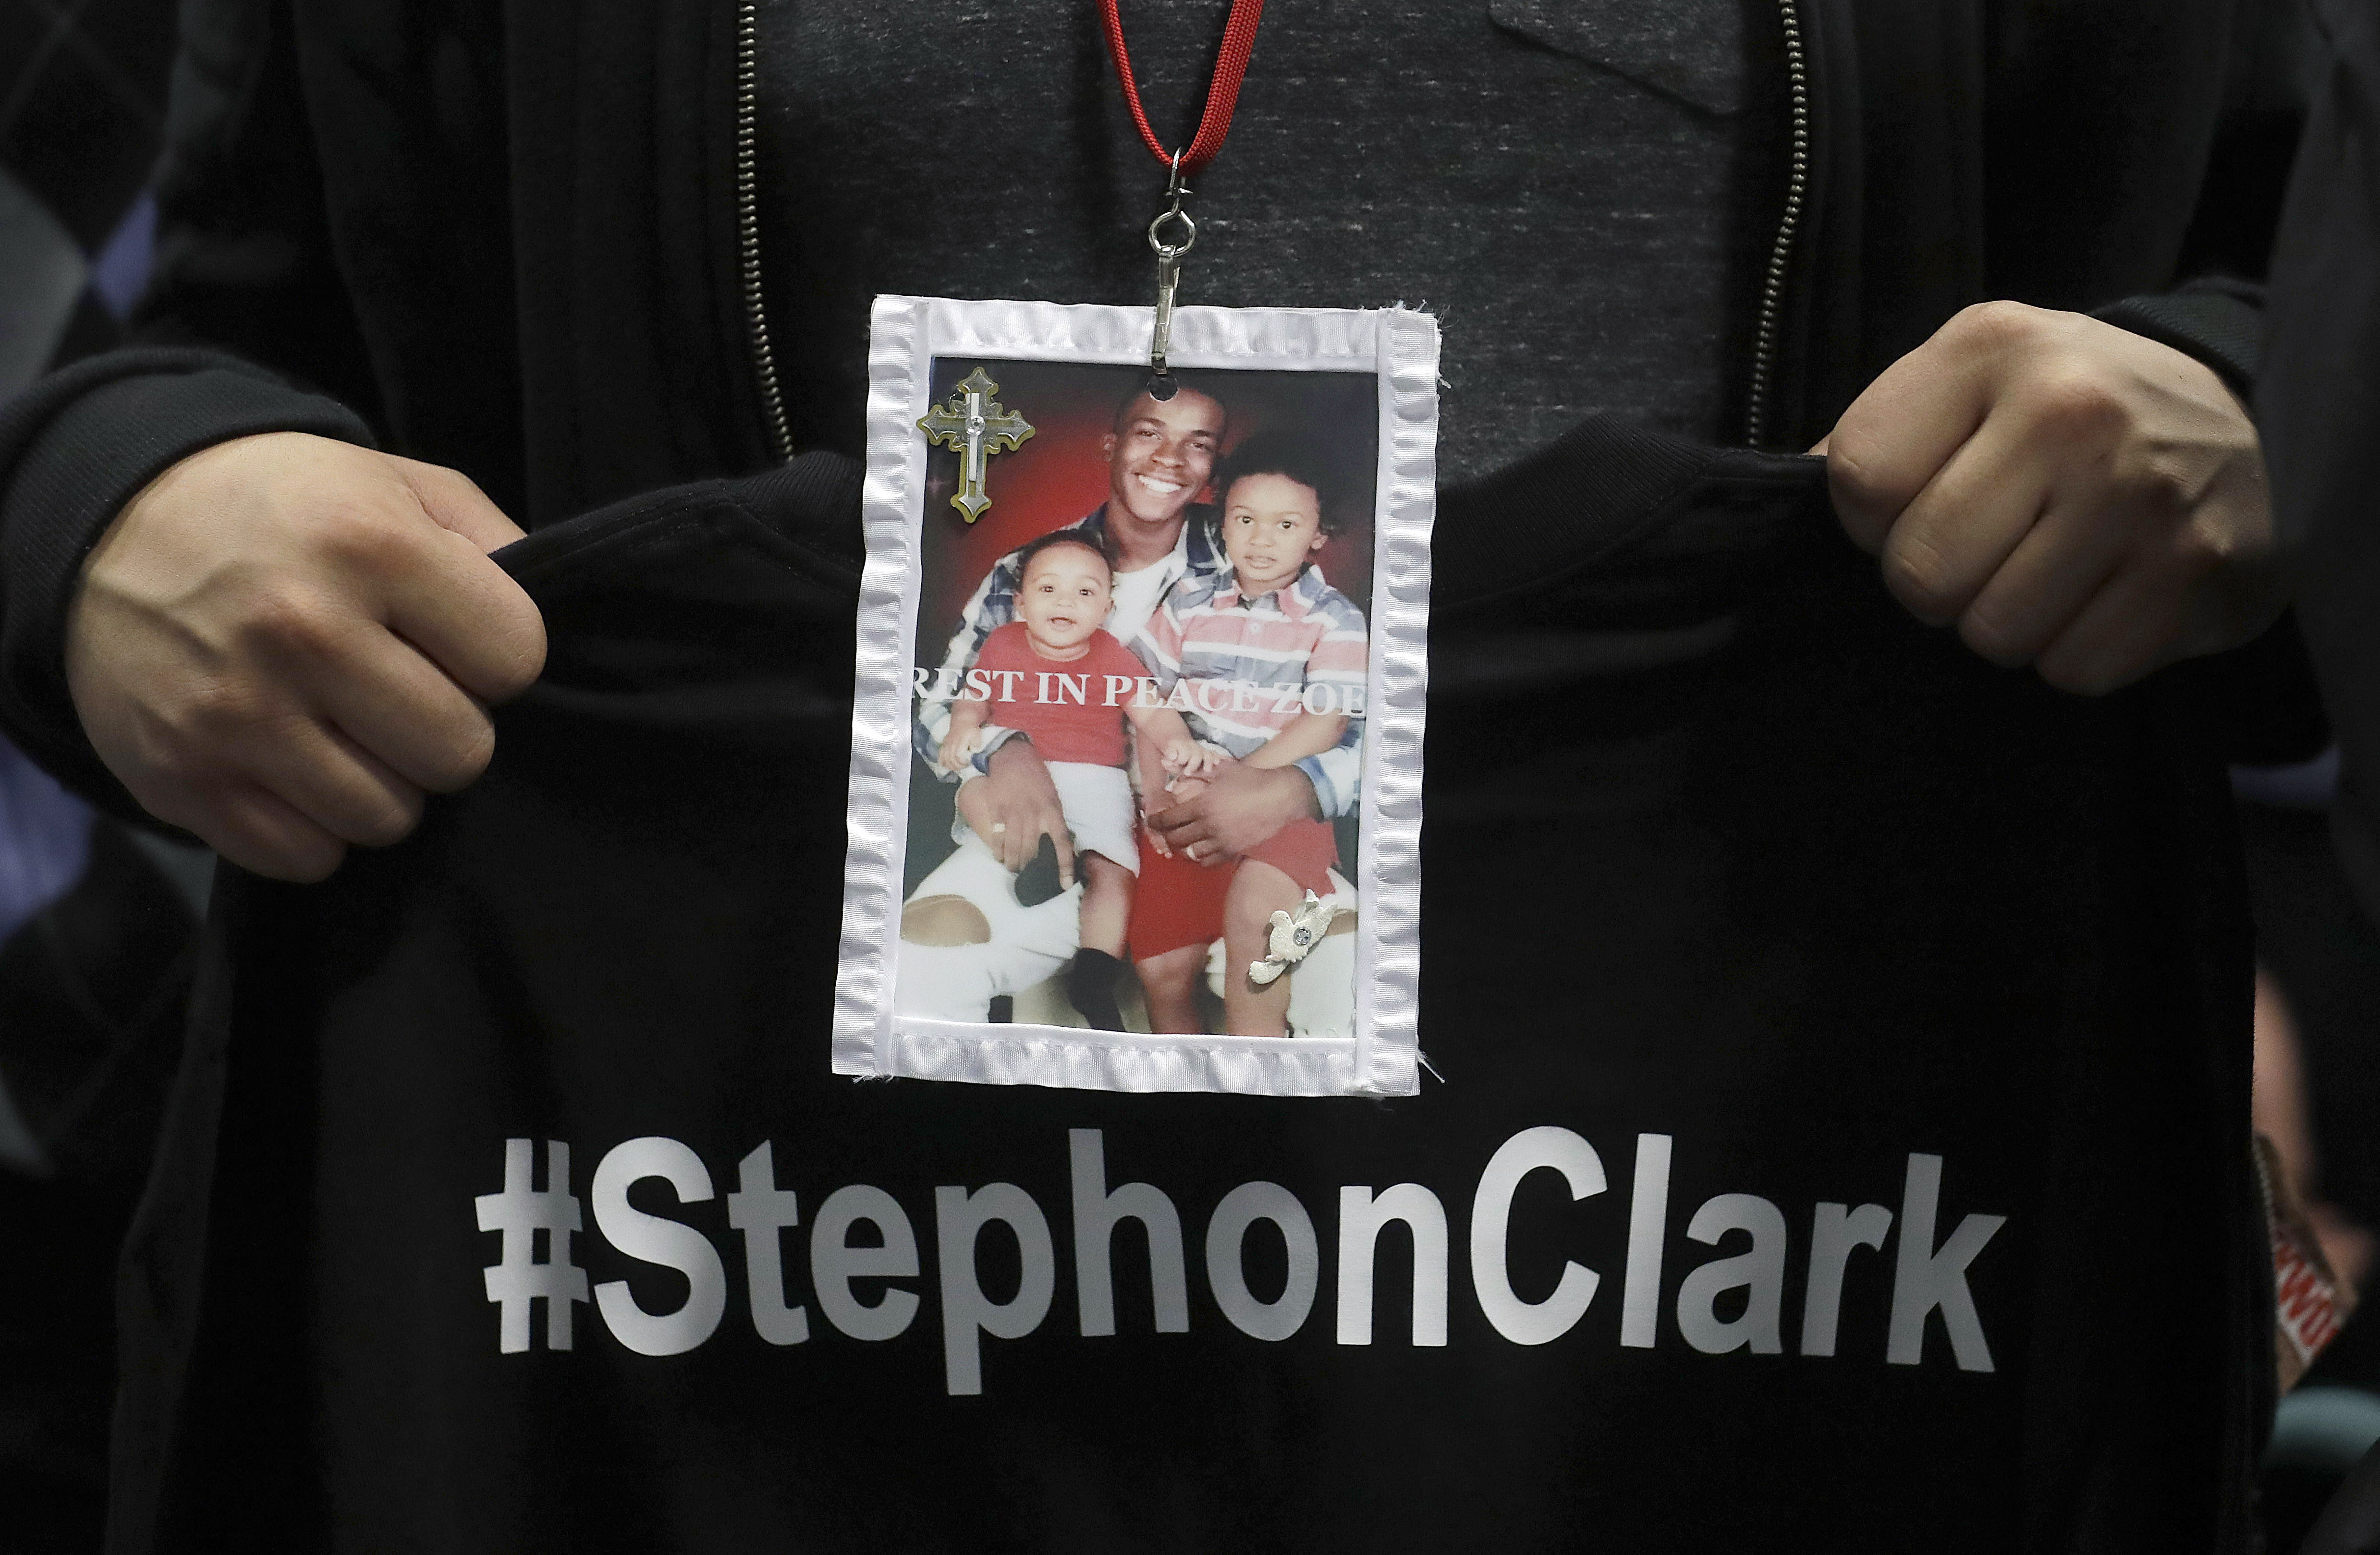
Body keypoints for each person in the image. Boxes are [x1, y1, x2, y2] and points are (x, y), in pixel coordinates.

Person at [1126, 430, 1368, 1036]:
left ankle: (1254, 1055)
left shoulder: (1333, 619)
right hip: (1185, 800)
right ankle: (1178, 1082)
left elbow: (1327, 719)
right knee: (1160, 964)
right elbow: (1141, 695)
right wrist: (1155, 796)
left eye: (1286, 525)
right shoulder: (1187, 601)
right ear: (1223, 525)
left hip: (1280, 811)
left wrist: (1239, 782)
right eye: (1245, 520)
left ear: (1317, 535)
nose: (1261, 540)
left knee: (1259, 924)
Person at [926, 531, 1204, 1030]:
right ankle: (1042, 860)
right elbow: (973, 698)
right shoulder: (1002, 643)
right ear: (1020, 602)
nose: (1065, 602)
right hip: (1021, 772)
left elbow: (1150, 712)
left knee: (1114, 870)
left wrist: (1176, 740)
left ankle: (1093, 972)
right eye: (1048, 588)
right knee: (987, 812)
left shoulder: (1113, 655)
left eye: (1085, 592)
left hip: (1096, 779)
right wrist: (965, 727)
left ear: (1106, 608)